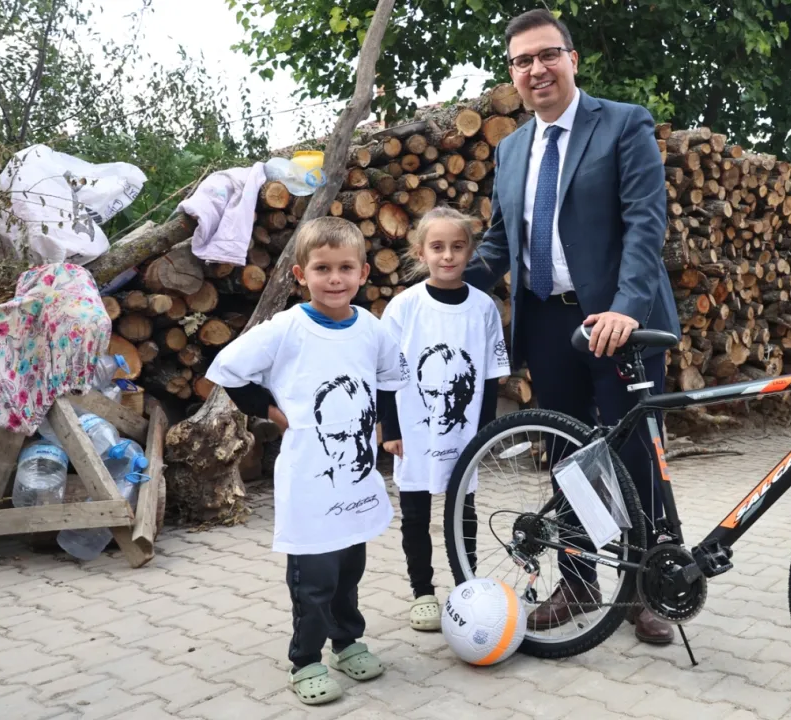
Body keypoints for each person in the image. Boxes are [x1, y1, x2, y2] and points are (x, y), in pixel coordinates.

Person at [462, 8, 681, 645]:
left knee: (634, 456)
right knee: (568, 458)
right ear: (512, 74)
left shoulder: (623, 123)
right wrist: (445, 285)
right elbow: (501, 240)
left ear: (572, 59)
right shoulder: (509, 149)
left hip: (619, 324)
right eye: (522, 61)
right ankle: (580, 580)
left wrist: (627, 307)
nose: (536, 69)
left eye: (547, 55)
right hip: (547, 324)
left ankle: (650, 586)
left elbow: (645, 222)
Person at [206, 216, 410, 706]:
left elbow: (388, 381)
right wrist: (270, 411)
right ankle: (306, 660)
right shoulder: (286, 328)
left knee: (349, 568)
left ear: (364, 273)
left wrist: (391, 431)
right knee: (314, 578)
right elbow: (228, 369)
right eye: (322, 268)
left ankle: (347, 641)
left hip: (356, 484)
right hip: (309, 484)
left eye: (345, 268)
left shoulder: (372, 330)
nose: (335, 279)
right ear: (301, 275)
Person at [378, 206, 509, 632]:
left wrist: (484, 434)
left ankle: (466, 586)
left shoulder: (483, 308)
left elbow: (489, 375)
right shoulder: (404, 307)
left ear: (471, 251)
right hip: (414, 434)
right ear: (421, 252)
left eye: (457, 246)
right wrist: (390, 429)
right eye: (437, 247)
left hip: (466, 437)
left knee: (462, 512)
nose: (447, 256)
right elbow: (385, 373)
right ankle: (422, 592)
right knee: (415, 514)